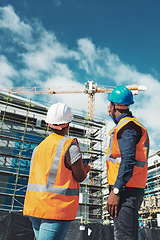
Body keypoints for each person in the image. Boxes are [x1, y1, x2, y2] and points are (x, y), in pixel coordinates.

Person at [23, 102, 90, 240]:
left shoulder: (38, 148)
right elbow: (79, 176)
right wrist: (86, 168)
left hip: (35, 207)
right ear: (67, 124)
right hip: (54, 208)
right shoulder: (70, 145)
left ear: (49, 124)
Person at [106, 86, 150, 240]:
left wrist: (116, 190)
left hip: (125, 190)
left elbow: (128, 159)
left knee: (124, 236)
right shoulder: (130, 126)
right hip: (130, 187)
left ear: (112, 106)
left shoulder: (127, 127)